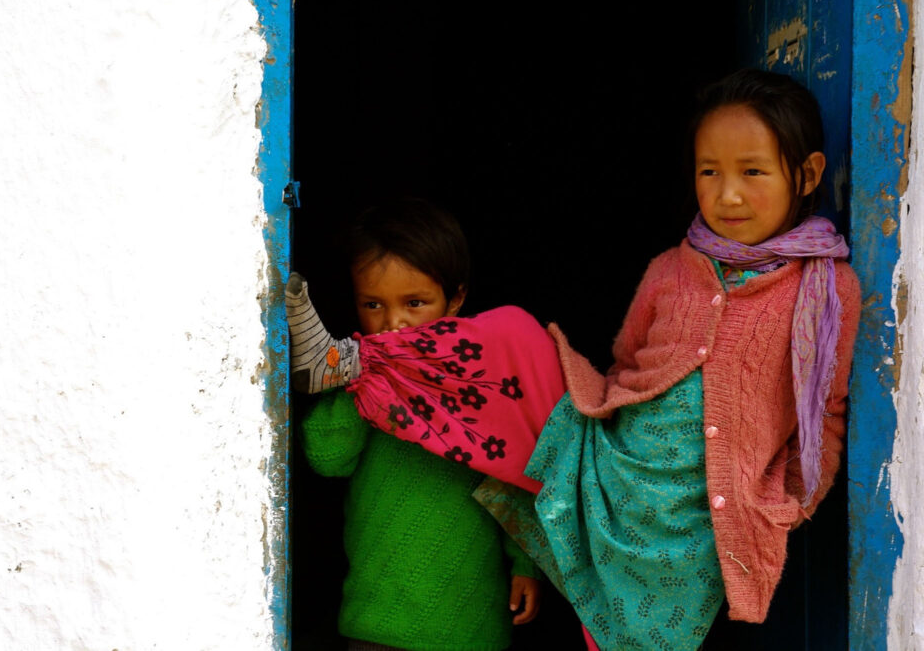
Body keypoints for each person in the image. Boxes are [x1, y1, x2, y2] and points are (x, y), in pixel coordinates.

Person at [287, 68, 861, 650]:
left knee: (629, 634)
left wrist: (788, 504)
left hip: (698, 517)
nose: (727, 192)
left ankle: (354, 363)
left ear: (807, 174)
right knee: (511, 328)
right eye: (708, 171)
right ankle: (347, 363)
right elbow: (627, 361)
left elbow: (825, 411)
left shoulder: (828, 290)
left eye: (752, 172)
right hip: (610, 466)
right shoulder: (673, 268)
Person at [292, 197, 545, 651]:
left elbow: (514, 474)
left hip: (471, 619)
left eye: (415, 302)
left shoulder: (477, 381)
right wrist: (364, 377)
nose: (393, 323)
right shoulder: (363, 382)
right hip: (378, 615)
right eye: (373, 304)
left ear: (456, 300)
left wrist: (525, 564)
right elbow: (328, 459)